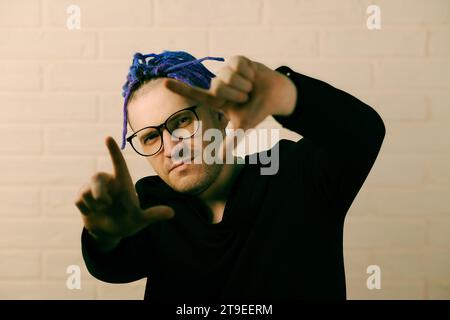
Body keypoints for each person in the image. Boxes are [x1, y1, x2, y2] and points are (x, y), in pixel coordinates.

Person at [74, 50, 386, 300]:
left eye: (181, 120)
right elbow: (115, 266)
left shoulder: (293, 173)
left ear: (220, 115)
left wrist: (286, 94)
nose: (171, 147)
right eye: (150, 137)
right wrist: (105, 237)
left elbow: (362, 134)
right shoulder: (150, 207)